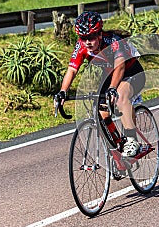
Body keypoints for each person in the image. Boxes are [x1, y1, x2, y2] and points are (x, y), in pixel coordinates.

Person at [55, 11, 145, 157]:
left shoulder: (114, 42)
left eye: (90, 37)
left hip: (132, 72)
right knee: (102, 111)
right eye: (83, 38)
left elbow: (120, 67)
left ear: (100, 35)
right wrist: (63, 91)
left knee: (121, 97)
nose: (87, 42)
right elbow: (72, 69)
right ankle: (118, 144)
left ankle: (131, 140)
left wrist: (112, 89)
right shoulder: (82, 46)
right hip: (109, 75)